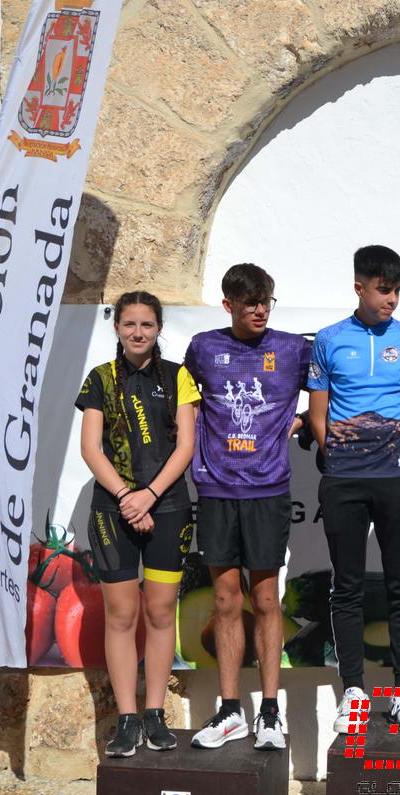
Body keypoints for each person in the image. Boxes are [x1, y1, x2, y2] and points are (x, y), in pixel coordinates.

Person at [183, 264, 311, 750]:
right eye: (250, 303)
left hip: (268, 489)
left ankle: (271, 713)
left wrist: (299, 423)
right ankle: (231, 709)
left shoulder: (292, 349)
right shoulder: (203, 348)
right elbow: (184, 404)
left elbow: (329, 392)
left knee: (266, 600)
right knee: (224, 601)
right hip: (216, 489)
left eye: (266, 302)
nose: (260, 311)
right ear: (228, 305)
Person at [307, 245, 400, 731]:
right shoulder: (329, 339)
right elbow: (318, 414)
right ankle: (354, 691)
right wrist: (340, 459)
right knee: (348, 585)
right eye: (383, 290)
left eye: (397, 290)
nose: (392, 299)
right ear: (359, 287)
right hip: (345, 481)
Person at [76, 290, 201, 758]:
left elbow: (185, 447)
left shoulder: (178, 376)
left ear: (159, 328)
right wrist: (128, 497)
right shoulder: (100, 378)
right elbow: (91, 449)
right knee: (122, 615)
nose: (138, 332)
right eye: (129, 324)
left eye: (147, 324)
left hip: (168, 508)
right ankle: (127, 718)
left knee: (161, 612)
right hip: (113, 512)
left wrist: (149, 495)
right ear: (117, 328)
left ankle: (155, 713)